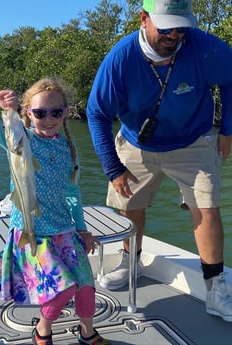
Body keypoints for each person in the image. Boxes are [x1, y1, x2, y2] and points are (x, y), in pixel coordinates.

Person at [87, 0, 232, 321]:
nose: (175, 34)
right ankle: (131, 260)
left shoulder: (205, 48)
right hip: (138, 141)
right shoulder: (121, 58)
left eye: (182, 26)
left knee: (207, 209)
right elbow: (97, 114)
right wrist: (113, 169)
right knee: (129, 207)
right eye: (167, 27)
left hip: (193, 139)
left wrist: (228, 129)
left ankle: (215, 288)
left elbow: (231, 78)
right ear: (144, 19)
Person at [0, 77, 111, 345]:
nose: (48, 119)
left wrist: (82, 229)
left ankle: (87, 332)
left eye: (56, 112)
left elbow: (73, 194)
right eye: (40, 113)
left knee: (85, 285)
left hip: (65, 230)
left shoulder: (69, 149)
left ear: (66, 113)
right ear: (28, 114)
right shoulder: (19, 140)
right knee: (61, 288)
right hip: (30, 232)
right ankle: (43, 331)